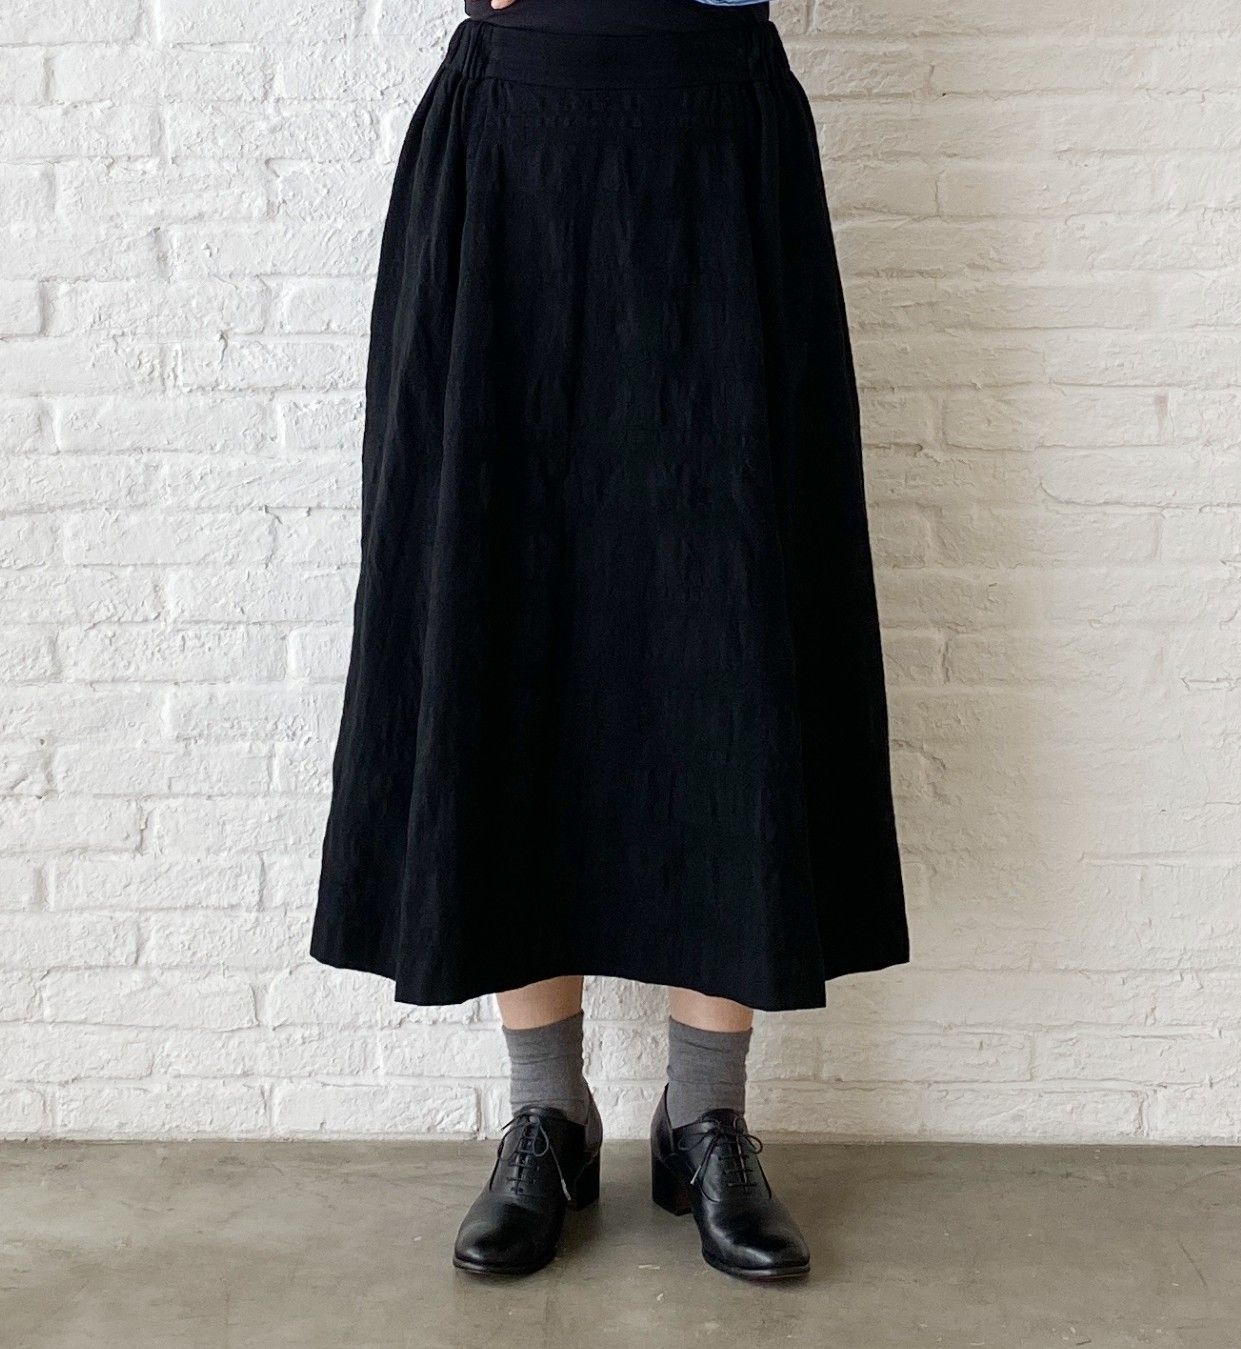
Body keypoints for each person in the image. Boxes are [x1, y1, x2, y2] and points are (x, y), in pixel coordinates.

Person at [311, 0, 909, 1281]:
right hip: (515, 136)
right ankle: (547, 1113)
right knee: (501, 605)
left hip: (717, 129)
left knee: (734, 613)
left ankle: (706, 1116)